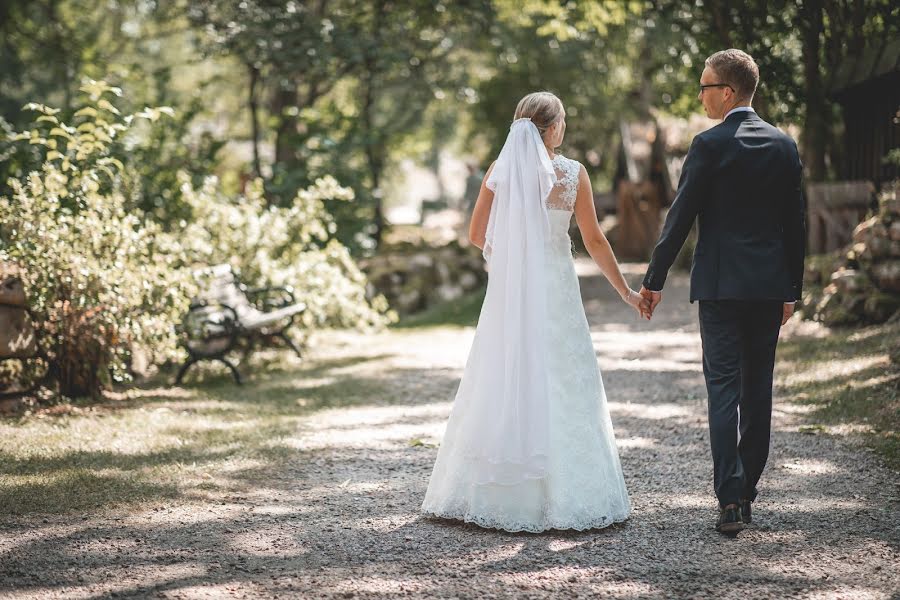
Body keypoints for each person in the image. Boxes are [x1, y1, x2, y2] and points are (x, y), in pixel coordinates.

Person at [421, 91, 647, 532]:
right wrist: (625, 292)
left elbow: (475, 233)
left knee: (503, 372)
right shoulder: (572, 174)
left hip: (511, 293)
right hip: (556, 291)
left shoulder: (499, 171)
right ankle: (566, 493)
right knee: (562, 375)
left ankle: (493, 493)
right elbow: (595, 240)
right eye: (563, 119)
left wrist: (512, 252)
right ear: (554, 127)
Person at [639, 49, 806, 535]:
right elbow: (794, 227)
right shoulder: (784, 145)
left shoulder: (708, 145)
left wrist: (653, 280)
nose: (700, 94)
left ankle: (730, 498)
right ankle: (746, 489)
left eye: (705, 86)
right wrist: (791, 291)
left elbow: (681, 218)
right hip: (768, 288)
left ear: (727, 93)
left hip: (718, 288)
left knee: (723, 390)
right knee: (758, 391)